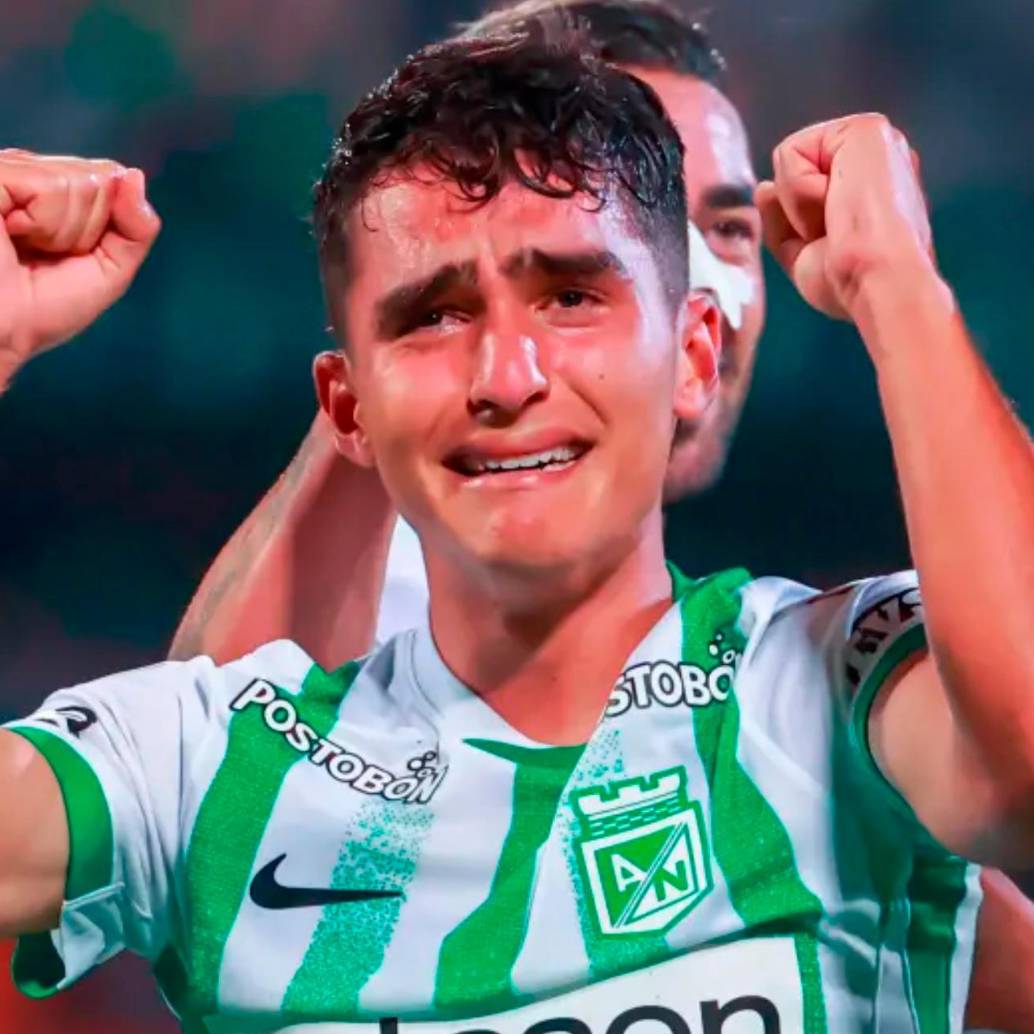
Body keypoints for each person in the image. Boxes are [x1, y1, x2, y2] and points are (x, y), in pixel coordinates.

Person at [1, 24, 1033, 1034]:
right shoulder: (208, 756)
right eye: (433, 316)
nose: (506, 377)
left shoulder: (825, 687)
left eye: (570, 295)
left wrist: (896, 284)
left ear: (692, 351)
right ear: (348, 407)